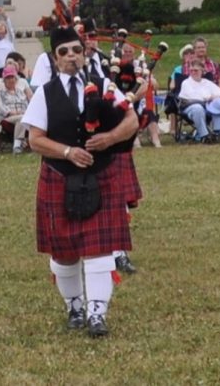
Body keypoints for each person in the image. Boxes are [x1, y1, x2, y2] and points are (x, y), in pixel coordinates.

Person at [24, 26, 141, 337]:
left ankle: (97, 313)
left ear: (84, 52)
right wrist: (67, 151)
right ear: (55, 58)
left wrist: (110, 138)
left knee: (99, 249)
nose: (71, 57)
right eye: (64, 52)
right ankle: (74, 305)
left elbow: (132, 120)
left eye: (76, 50)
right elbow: (35, 139)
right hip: (59, 176)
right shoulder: (45, 94)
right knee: (63, 250)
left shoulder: (104, 85)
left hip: (101, 176)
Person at [176, 62, 220, 143]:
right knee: (198, 108)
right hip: (190, 107)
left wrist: (214, 98)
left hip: (207, 107)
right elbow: (192, 97)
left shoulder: (207, 82)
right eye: (191, 70)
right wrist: (208, 98)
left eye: (196, 70)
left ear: (202, 71)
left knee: (218, 104)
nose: (193, 72)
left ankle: (217, 133)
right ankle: (204, 136)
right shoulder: (186, 83)